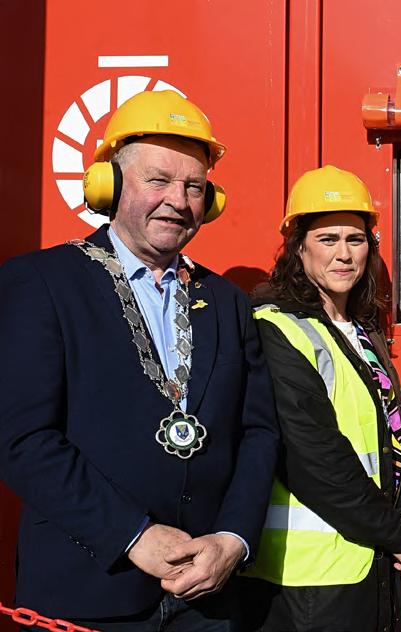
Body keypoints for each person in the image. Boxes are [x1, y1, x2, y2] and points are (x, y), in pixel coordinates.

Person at [0, 90, 279, 628]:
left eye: (194, 187)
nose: (178, 200)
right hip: (88, 591)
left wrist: (232, 540)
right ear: (109, 185)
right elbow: (22, 439)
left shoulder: (228, 302)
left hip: (207, 597)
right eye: (158, 180)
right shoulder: (40, 283)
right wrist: (133, 535)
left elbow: (258, 432)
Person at [237, 165, 401, 631]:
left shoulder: (361, 333)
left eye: (355, 239)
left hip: (370, 561)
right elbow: (313, 455)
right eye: (327, 239)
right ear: (298, 247)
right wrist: (394, 531)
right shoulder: (275, 328)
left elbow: (395, 436)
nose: (344, 254)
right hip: (309, 584)